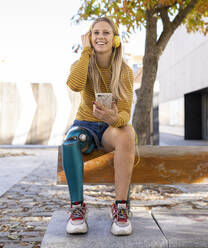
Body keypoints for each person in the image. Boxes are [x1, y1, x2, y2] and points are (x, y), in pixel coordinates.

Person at [62, 16, 136, 236]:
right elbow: (74, 85)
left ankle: (120, 208)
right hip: (85, 126)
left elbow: (125, 112)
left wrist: (113, 117)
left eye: (106, 32)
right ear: (89, 37)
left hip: (109, 130)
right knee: (70, 141)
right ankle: (77, 209)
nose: (100, 37)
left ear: (115, 39)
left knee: (127, 133)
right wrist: (85, 52)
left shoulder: (125, 71)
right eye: (96, 33)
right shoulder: (82, 64)